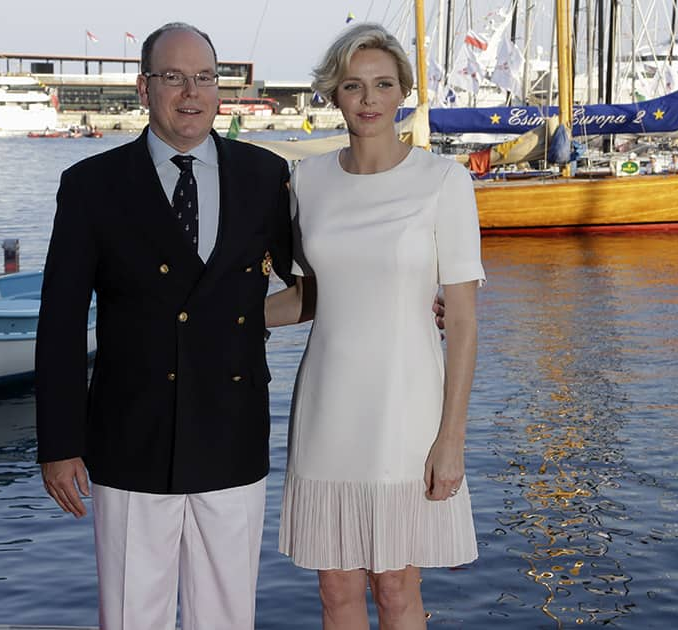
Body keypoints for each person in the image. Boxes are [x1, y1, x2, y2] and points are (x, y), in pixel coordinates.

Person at [34, 22, 295, 630]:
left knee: (227, 617)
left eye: (203, 78)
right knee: (131, 617)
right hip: (131, 440)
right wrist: (59, 443)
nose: (190, 93)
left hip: (231, 433)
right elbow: (62, 323)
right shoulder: (91, 186)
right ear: (143, 86)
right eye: (172, 77)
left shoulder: (265, 176)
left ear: (219, 89)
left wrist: (415, 301)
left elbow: (315, 278)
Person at [265, 23, 483, 630]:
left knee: (394, 587)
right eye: (354, 86)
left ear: (402, 93)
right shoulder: (307, 182)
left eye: (383, 85)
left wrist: (451, 439)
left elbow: (462, 320)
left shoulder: (444, 181)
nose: (368, 99)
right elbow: (312, 296)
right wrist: (225, 319)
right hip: (328, 405)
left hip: (405, 409)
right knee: (334, 591)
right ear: (334, 93)